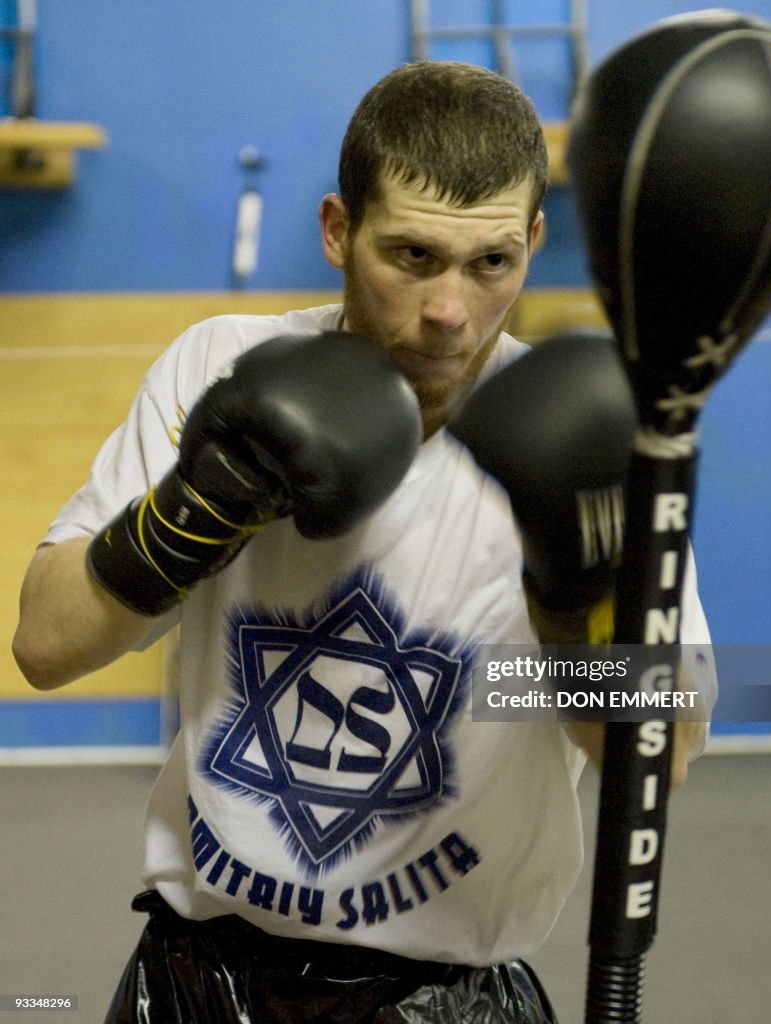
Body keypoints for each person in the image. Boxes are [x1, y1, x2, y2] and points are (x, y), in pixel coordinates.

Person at [13, 61, 716, 1023]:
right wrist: (196, 512)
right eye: (413, 257)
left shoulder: (574, 437)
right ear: (339, 231)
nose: (449, 313)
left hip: (454, 996)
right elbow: (46, 648)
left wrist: (570, 608)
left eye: (491, 263)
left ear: (534, 242)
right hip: (198, 976)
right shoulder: (219, 368)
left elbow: (660, 756)